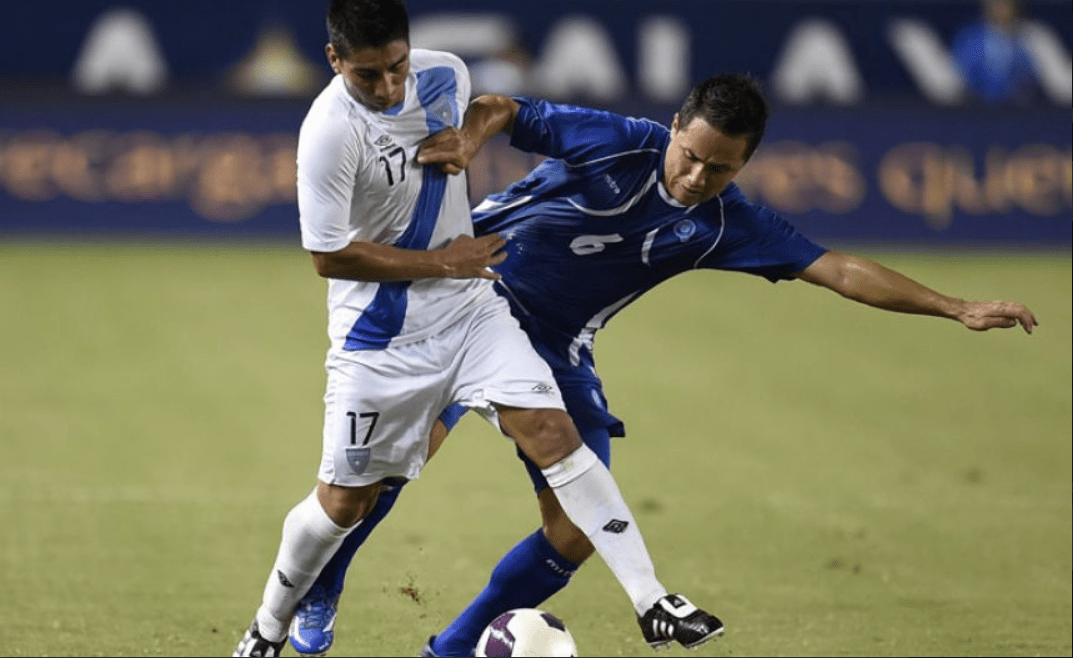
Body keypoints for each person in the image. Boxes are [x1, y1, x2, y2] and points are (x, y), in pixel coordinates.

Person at [286, 74, 1039, 657]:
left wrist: (954, 307)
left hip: (556, 347)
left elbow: (835, 268)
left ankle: (451, 648)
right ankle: (325, 587)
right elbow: (501, 105)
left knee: (575, 532)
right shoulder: (620, 140)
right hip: (464, 305)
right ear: (673, 126)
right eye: (689, 154)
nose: (694, 177)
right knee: (382, 471)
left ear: (744, 163)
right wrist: (471, 138)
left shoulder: (727, 221)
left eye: (719, 168)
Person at [232, 0, 724, 656]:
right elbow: (328, 255)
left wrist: (468, 140)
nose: (389, 86)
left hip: (470, 310)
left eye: (398, 66)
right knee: (344, 504)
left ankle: (651, 598)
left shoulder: (445, 76)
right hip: (380, 339)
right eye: (369, 75)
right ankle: (268, 628)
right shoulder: (327, 132)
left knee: (553, 432)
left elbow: (494, 109)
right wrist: (442, 259)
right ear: (334, 61)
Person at [950, 0, 1040, 104]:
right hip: (974, 107)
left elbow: (1031, 79)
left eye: (1006, 5)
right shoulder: (969, 38)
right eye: (996, 5)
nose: (1002, 10)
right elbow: (958, 80)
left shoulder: (1031, 38)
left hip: (1019, 108)